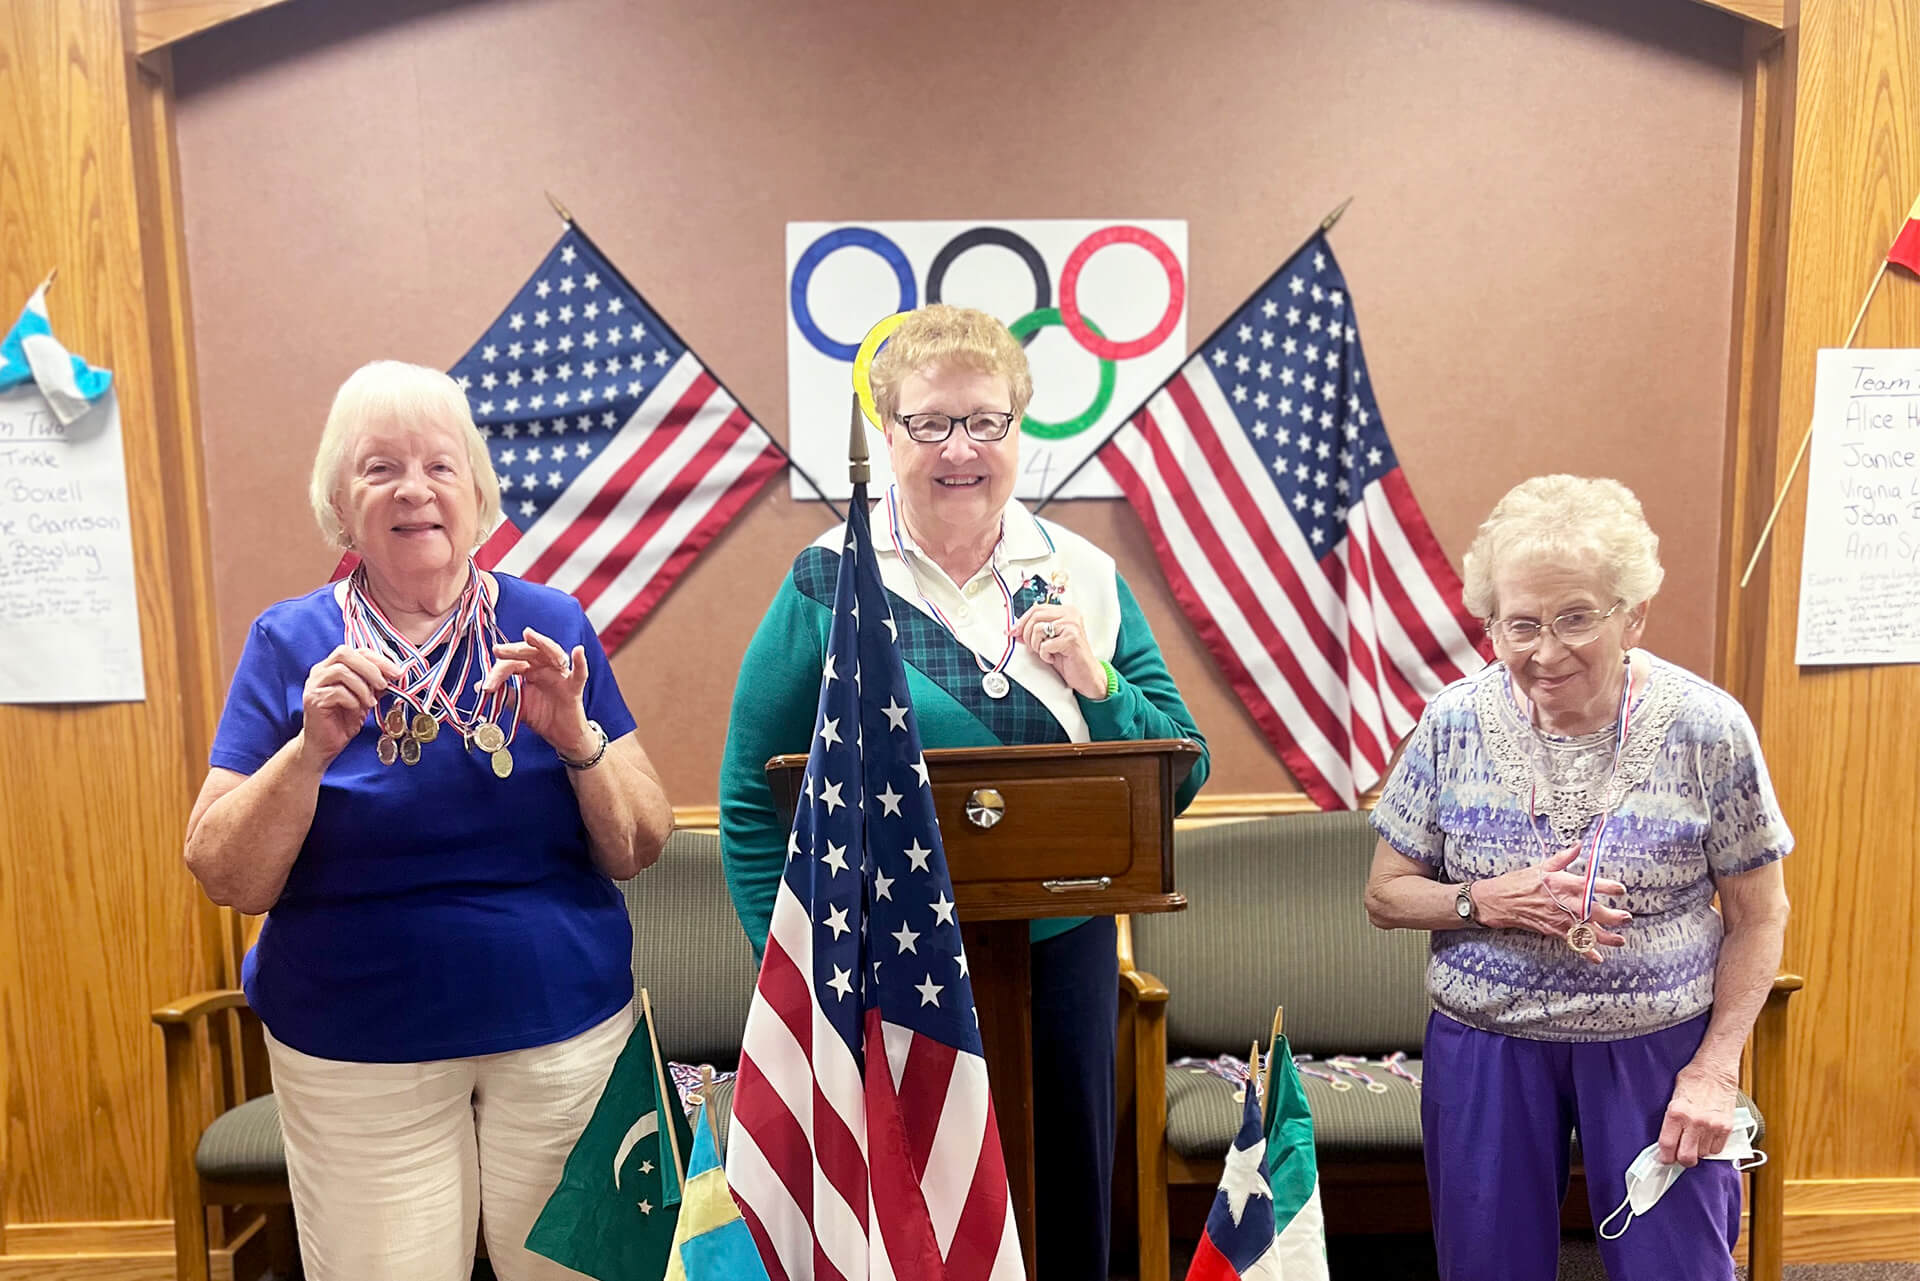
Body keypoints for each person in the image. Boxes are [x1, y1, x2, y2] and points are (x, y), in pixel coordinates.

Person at [719, 304, 1208, 1279]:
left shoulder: (1086, 575)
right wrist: (806, 976)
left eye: (987, 421)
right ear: (888, 434)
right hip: (877, 964)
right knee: (902, 1222)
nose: (961, 449)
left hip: (1059, 958)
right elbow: (748, 800)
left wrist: (1098, 685)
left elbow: (1180, 771)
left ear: (1020, 431)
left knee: (1063, 1207)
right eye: (930, 422)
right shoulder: (827, 579)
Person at [183, 360, 673, 1281]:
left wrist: (576, 737)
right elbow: (226, 872)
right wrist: (307, 753)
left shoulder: (550, 623)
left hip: (565, 1032)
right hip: (357, 1047)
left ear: (478, 492)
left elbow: (639, 844)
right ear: (340, 501)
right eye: (379, 468)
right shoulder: (288, 643)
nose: (415, 489)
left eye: (441, 466)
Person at [1363, 475, 1792, 1281]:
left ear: (1632, 614)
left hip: (1656, 1049)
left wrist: (1715, 1068)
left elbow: (1760, 915)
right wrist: (1484, 900)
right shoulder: (1452, 722)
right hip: (1488, 1045)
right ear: (1490, 623)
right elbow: (1385, 894)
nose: (1545, 650)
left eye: (1575, 617)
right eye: (1520, 623)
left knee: (1677, 1270)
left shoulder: (1708, 729)